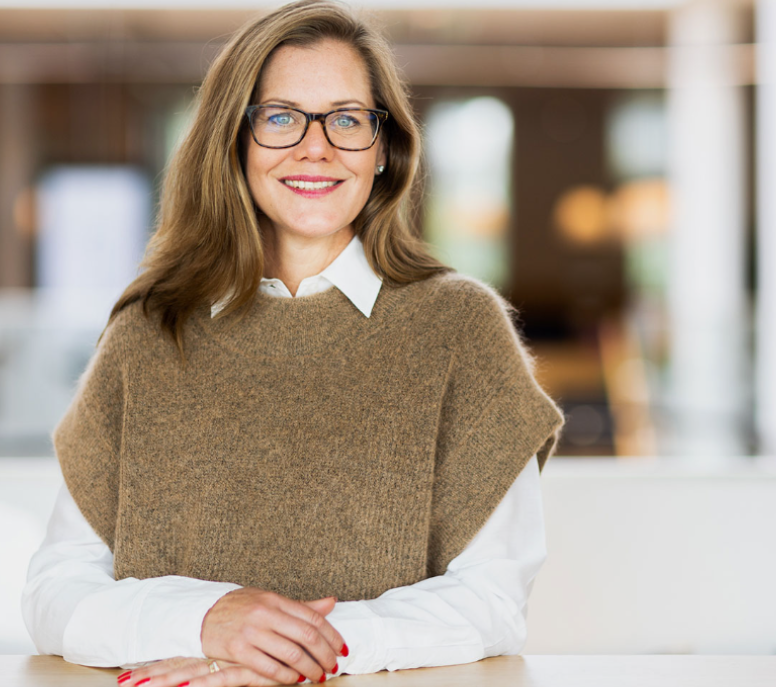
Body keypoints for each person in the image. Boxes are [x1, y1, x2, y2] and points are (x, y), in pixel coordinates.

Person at [22, 1, 563, 686]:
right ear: (235, 140)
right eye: (281, 117)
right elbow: (55, 593)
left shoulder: (461, 329)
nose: (317, 147)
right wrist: (210, 618)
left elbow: (492, 599)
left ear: (384, 149)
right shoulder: (149, 330)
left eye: (347, 119)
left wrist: (289, 652)